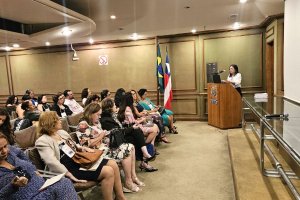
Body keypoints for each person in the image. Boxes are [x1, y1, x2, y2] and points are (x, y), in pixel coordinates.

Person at [35, 111, 126, 200]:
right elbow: (52, 162)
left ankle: (120, 197)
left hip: (78, 160)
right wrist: (69, 175)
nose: (60, 121)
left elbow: (73, 145)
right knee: (108, 171)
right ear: (51, 123)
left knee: (112, 163)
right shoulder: (42, 141)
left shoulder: (61, 133)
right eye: (57, 119)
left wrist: (83, 148)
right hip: (67, 169)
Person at [79, 102, 145, 191]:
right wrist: (102, 135)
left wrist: (107, 134)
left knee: (131, 146)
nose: (99, 117)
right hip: (96, 154)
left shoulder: (96, 123)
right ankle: (128, 182)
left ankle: (133, 177)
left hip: (104, 148)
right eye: (98, 114)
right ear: (91, 113)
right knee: (127, 149)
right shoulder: (83, 125)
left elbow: (101, 136)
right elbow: (86, 144)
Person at [0, 132, 78, 200]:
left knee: (64, 182)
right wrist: (12, 186)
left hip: (44, 188)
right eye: (0, 149)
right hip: (31, 197)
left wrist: (32, 167)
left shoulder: (10, 153)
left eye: (5, 146)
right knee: (64, 186)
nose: (4, 151)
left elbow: (20, 152)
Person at [101, 98, 158, 172]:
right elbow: (117, 131)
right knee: (136, 133)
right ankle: (145, 157)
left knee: (137, 132)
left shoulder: (113, 115)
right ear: (109, 107)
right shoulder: (106, 119)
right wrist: (132, 127)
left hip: (121, 134)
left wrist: (132, 127)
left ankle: (144, 157)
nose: (116, 106)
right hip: (115, 140)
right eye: (114, 105)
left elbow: (121, 127)